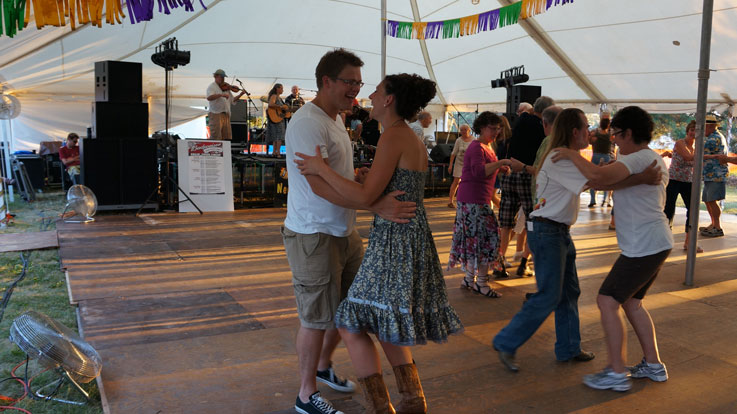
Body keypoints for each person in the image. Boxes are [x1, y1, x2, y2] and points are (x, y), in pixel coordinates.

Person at [295, 73, 463, 414]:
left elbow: (366, 196)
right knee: (384, 319)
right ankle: (413, 400)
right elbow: (380, 186)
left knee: (350, 322)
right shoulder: (406, 136)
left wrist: (320, 168)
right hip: (405, 237)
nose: (369, 94)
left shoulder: (394, 136)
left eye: (376, 90)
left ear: (389, 100)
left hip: (395, 240)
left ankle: (382, 407)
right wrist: (366, 179)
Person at [282, 49, 416, 414]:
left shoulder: (336, 119)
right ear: (326, 81)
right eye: (350, 81)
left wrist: (357, 180)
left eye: (359, 82)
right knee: (315, 318)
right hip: (314, 233)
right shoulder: (308, 122)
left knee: (349, 311)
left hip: (344, 230)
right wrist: (375, 203)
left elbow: (334, 176)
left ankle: (323, 368)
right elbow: (318, 187)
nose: (356, 89)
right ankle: (306, 395)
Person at [551, 106, 672, 392]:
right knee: (631, 303)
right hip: (653, 243)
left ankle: (616, 371)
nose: (614, 140)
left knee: (607, 300)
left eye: (616, 134)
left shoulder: (639, 157)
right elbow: (605, 181)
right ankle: (653, 365)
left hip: (644, 246)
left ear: (629, 133)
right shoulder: (645, 159)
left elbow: (599, 179)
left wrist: (570, 154)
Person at [492, 108, 597, 373]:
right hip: (548, 231)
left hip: (557, 231)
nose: (589, 131)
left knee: (568, 292)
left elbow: (591, 179)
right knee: (550, 294)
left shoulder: (565, 157)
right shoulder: (560, 158)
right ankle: (506, 341)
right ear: (575, 131)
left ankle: (569, 347)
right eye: (586, 126)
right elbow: (598, 180)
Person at [447, 112, 512, 298]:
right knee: (485, 241)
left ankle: (470, 278)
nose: (496, 132)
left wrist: (500, 168)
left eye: (498, 129)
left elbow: (485, 168)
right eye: (493, 128)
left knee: (476, 240)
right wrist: (502, 162)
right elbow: (478, 172)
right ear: (482, 127)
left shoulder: (486, 146)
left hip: (476, 200)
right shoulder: (477, 147)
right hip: (473, 201)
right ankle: (481, 283)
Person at [497, 96, 555, 277]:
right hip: (527, 176)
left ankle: (499, 262)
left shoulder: (522, 120)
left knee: (506, 221)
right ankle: (523, 262)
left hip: (509, 173)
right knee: (531, 220)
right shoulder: (543, 130)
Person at [662, 121, 702, 253]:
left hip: (688, 181)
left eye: (696, 130)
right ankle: (663, 241)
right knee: (669, 209)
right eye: (691, 129)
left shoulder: (697, 147)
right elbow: (687, 157)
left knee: (692, 210)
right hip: (674, 179)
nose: (693, 132)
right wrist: (709, 156)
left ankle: (689, 242)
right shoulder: (680, 143)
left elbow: (697, 163)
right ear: (687, 130)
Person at [700, 114, 729, 238]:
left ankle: (717, 227)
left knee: (711, 200)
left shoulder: (713, 139)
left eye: (704, 127)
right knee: (708, 200)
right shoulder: (716, 136)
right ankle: (713, 224)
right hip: (711, 174)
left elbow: (702, 155)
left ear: (711, 126)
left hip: (715, 174)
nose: (702, 130)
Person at [206, 69, 244, 140]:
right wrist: (221, 95)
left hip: (226, 114)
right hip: (216, 114)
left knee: (226, 137)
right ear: (216, 76)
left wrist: (241, 94)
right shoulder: (212, 87)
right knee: (216, 136)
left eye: (224, 77)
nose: (223, 79)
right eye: (221, 77)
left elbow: (232, 100)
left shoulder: (226, 88)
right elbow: (209, 97)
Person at [447, 124, 474, 208]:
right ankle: (450, 201)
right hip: (459, 163)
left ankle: (468, 200)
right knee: (456, 181)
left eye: (465, 130)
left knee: (469, 182)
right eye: (461, 130)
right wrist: (450, 165)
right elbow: (453, 153)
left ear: (469, 130)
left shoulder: (474, 140)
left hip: (469, 164)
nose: (463, 131)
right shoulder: (458, 140)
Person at [588, 117, 613, 207]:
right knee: (607, 179)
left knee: (592, 177)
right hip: (606, 157)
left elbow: (590, 141)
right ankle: (605, 199)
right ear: (608, 125)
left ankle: (592, 200)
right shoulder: (610, 135)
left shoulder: (595, 134)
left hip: (595, 156)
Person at [266, 83, 288, 156]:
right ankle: (278, 152)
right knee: (280, 136)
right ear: (277, 89)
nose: (282, 90)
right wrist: (280, 107)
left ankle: (274, 152)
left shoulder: (279, 98)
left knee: (276, 136)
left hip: (278, 118)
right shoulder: (274, 96)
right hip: (276, 119)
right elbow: (271, 104)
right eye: (281, 88)